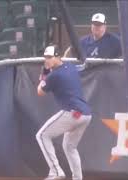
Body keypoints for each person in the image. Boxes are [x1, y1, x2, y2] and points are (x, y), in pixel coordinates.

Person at [36, 45, 92, 180]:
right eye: (46, 58)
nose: (47, 60)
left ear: (57, 57)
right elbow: (64, 65)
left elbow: (40, 92)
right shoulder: (70, 67)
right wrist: (49, 71)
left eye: (50, 57)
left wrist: (43, 76)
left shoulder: (53, 76)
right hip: (86, 115)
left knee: (42, 135)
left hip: (72, 113)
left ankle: (56, 172)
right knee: (69, 147)